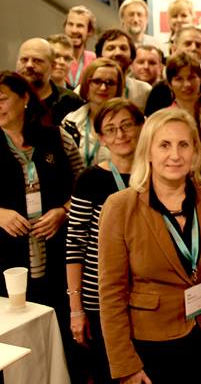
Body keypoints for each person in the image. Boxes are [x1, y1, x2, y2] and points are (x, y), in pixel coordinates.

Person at [98, 108, 201, 383]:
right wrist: (126, 365)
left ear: (195, 151)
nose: (175, 155)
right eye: (164, 145)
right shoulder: (120, 207)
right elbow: (111, 293)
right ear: (148, 151)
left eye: (184, 145)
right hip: (152, 344)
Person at [0, 71, 83, 304]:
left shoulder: (57, 138)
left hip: (58, 252)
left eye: (2, 100)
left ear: (25, 98)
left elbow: (83, 190)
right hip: (5, 259)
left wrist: (63, 212)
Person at [65, 98, 145, 383]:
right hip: (100, 298)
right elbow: (75, 246)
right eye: (110, 129)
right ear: (101, 138)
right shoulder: (90, 180)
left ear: (141, 126)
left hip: (146, 296)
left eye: (127, 125)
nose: (120, 134)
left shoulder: (156, 174)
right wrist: (76, 309)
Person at [62, 58, 125, 168]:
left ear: (118, 87)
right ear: (86, 84)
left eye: (110, 83)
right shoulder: (70, 122)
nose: (103, 88)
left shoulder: (131, 123)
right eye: (97, 81)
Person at [16, 37, 84, 124]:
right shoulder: (5, 99)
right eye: (24, 60)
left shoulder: (71, 102)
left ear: (52, 65)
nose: (29, 65)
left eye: (37, 60)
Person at [95, 28, 153, 111]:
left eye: (123, 48)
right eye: (111, 48)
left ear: (131, 57)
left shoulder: (144, 91)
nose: (118, 53)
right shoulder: (87, 90)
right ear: (99, 56)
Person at [63, 5, 98, 89]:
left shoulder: (94, 60)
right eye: (70, 24)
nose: (74, 30)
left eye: (80, 26)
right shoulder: (54, 58)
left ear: (89, 31)